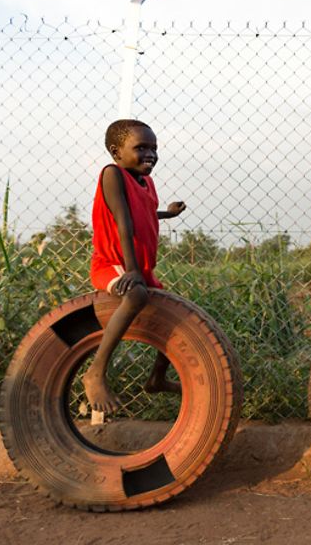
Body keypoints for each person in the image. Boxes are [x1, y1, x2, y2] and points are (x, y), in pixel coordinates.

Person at [83, 119, 186, 413]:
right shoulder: (112, 174)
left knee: (175, 310)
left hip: (140, 269)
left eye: (154, 148)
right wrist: (131, 271)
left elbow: (144, 214)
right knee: (137, 296)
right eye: (141, 148)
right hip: (113, 263)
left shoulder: (147, 182)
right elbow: (123, 221)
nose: (150, 154)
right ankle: (95, 373)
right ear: (116, 152)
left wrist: (167, 213)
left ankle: (156, 379)